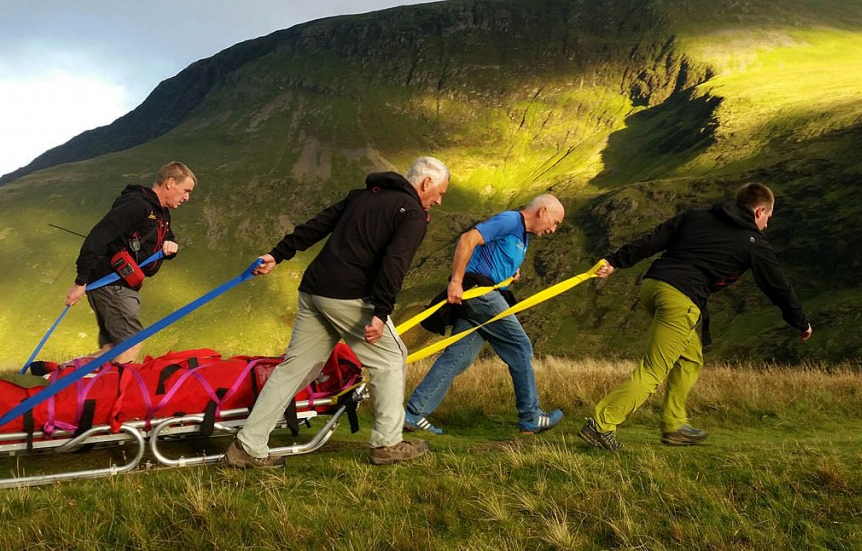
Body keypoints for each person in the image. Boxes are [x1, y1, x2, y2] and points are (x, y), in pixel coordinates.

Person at [226, 156, 450, 468]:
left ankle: (247, 446)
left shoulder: (362, 196)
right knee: (390, 359)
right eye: (439, 192)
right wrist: (381, 312)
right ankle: (387, 444)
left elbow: (317, 225)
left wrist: (278, 254)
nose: (438, 200)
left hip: (314, 291)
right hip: (348, 297)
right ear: (426, 183)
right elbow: (395, 263)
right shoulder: (411, 213)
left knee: (294, 369)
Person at [578, 182, 812, 451]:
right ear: (760, 211)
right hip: (681, 299)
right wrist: (800, 321)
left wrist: (616, 261)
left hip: (653, 285)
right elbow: (777, 285)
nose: (767, 225)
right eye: (768, 218)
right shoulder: (753, 243)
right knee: (654, 369)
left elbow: (653, 239)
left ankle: (675, 426)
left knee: (690, 358)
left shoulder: (697, 215)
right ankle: (601, 425)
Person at [404, 194, 566, 436]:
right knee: (521, 348)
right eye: (555, 222)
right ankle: (531, 418)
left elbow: (493, 257)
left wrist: (511, 273)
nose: (553, 230)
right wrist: (456, 282)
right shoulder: (510, 221)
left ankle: (413, 414)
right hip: (479, 294)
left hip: (482, 295)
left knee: (458, 358)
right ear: (542, 211)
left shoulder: (521, 234)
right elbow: (467, 239)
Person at [64, 162, 196, 364]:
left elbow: (167, 238)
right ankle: (115, 392)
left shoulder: (162, 213)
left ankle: (62, 374)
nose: (187, 197)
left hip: (122, 284)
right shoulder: (136, 204)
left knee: (112, 348)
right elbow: (97, 238)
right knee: (131, 344)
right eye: (186, 190)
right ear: (170, 183)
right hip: (112, 284)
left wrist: (171, 246)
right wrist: (80, 282)